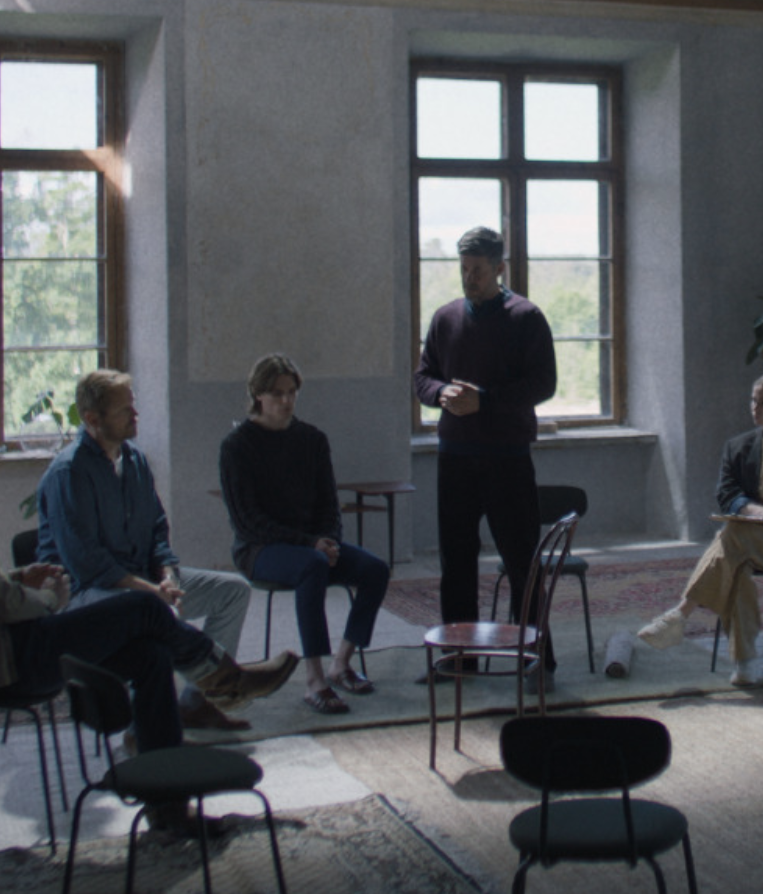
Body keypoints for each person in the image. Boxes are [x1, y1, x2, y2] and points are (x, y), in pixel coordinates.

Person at [0, 404, 293, 835]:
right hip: (1, 663)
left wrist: (17, 577)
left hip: (5, 648)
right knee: (146, 608)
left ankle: (169, 810)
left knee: (151, 655)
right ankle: (228, 681)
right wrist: (48, 598)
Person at [36, 369, 296, 730]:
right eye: (125, 410)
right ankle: (224, 683)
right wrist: (150, 591)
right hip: (85, 595)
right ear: (93, 419)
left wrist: (168, 577)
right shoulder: (69, 472)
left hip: (141, 582)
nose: (135, 415)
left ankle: (197, 703)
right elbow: (87, 564)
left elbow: (157, 529)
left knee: (233, 591)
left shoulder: (135, 460)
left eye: (133, 406)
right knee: (150, 611)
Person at [412, 226, 559, 685]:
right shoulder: (445, 318)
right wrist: (440, 393)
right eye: (463, 269)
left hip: (506, 458)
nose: (469, 278)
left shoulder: (526, 318)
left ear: (499, 269)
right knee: (456, 562)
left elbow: (544, 384)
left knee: (521, 562)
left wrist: (486, 400)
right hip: (454, 457)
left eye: (477, 270)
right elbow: (422, 378)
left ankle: (537, 660)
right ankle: (460, 660)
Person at [636, 371, 763, 686]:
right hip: (748, 538)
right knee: (737, 563)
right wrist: (760, 513)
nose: (755, 408)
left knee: (732, 535)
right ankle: (745, 665)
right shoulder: (738, 446)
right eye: (753, 401)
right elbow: (727, 495)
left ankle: (681, 614)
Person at [220, 353, 392, 716]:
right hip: (260, 550)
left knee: (375, 569)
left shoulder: (312, 439)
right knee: (312, 565)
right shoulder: (237, 446)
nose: (286, 401)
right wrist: (311, 544)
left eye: (291, 392)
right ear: (258, 395)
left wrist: (328, 540)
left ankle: (341, 663)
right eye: (277, 393)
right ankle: (314, 678)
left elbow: (329, 504)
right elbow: (248, 521)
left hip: (312, 545)